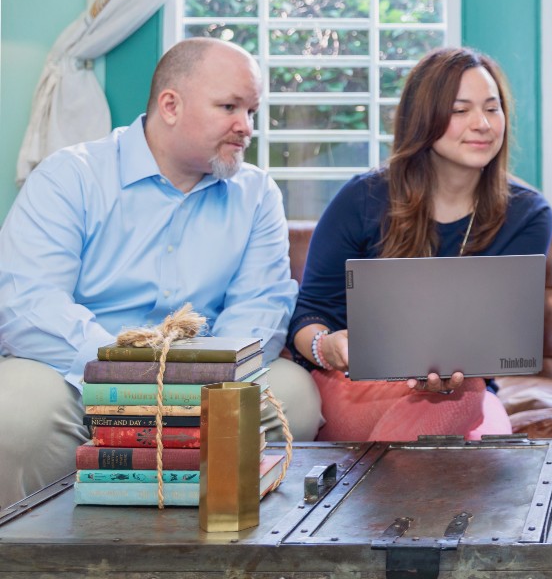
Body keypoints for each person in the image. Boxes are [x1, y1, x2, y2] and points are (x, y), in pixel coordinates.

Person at [0, 38, 321, 509]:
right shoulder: (70, 176)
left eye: (252, 111)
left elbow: (261, 307)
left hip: (207, 380)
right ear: (171, 106)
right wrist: (127, 374)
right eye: (229, 107)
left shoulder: (257, 195)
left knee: (295, 395)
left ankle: (218, 543)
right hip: (80, 374)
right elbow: (28, 304)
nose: (246, 126)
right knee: (13, 411)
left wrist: (203, 380)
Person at [288, 46, 552, 441]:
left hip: (469, 390)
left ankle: (380, 480)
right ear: (423, 118)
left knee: (471, 406)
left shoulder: (528, 214)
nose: (482, 124)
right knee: (467, 428)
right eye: (460, 110)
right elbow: (309, 312)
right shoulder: (362, 198)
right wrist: (326, 347)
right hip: (357, 386)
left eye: (492, 108)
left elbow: (502, 337)